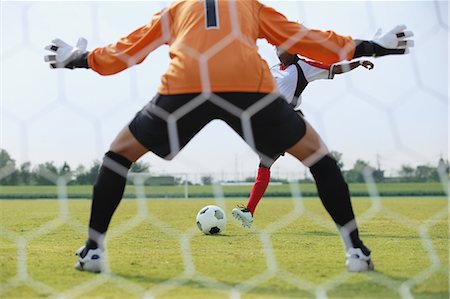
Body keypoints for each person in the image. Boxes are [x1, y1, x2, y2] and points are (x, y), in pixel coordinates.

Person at [44, 0, 413, 273]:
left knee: (118, 156)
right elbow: (303, 38)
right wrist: (371, 46)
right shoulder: (248, 6)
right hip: (248, 86)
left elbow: (128, 51)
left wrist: (81, 59)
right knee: (320, 160)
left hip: (186, 84)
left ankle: (93, 250)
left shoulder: (174, 10)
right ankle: (356, 252)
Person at [232, 49, 374, 228]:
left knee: (317, 165)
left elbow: (334, 69)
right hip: (270, 123)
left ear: (293, 50)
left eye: (282, 47)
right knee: (266, 162)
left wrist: (358, 62)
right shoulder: (274, 68)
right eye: (276, 48)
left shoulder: (304, 67)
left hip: (288, 122)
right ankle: (249, 212)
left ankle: (250, 212)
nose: (278, 51)